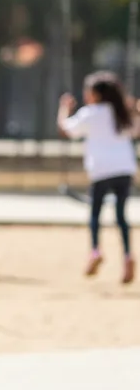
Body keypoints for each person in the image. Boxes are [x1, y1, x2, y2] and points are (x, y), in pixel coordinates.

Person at [58, 71, 140, 284]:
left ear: (95, 94)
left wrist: (64, 109)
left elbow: (67, 129)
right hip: (124, 168)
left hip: (101, 169)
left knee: (95, 214)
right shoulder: (122, 113)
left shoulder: (90, 113)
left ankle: (95, 250)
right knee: (121, 216)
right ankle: (128, 255)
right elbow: (136, 131)